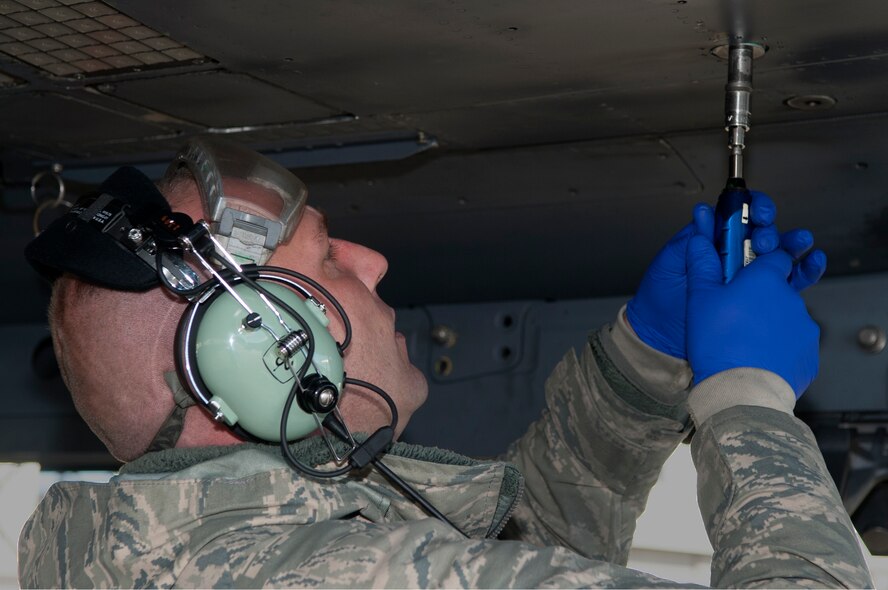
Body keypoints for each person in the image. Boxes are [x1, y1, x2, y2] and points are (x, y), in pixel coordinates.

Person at [18, 138, 874, 588]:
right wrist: (748, 398)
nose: (374, 262)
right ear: (260, 356)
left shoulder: (187, 558)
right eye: (327, 262)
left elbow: (513, 557)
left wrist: (643, 360)